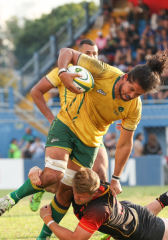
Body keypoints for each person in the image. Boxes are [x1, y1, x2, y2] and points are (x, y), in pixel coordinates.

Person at [0, 48, 168, 240]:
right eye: (131, 89)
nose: (130, 96)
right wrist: (63, 72)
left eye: (137, 94)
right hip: (66, 124)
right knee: (54, 175)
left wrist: (116, 178)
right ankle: (10, 200)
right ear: (125, 77)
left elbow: (125, 144)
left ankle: (43, 237)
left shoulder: (134, 107)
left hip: (90, 143)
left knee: (67, 191)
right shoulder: (103, 71)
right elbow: (66, 52)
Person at [38, 167, 168, 240]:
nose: (77, 198)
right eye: (76, 193)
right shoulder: (87, 183)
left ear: (93, 192)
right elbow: (55, 186)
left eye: (82, 196)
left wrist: (48, 220)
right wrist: (37, 177)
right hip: (128, 217)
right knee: (136, 219)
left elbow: (76, 239)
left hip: (140, 229)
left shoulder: (97, 210)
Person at [26, 40, 111, 212]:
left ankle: (104, 219)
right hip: (69, 131)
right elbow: (36, 91)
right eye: (87, 53)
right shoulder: (63, 72)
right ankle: (41, 188)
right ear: (78, 56)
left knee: (101, 174)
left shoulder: (101, 74)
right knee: (57, 183)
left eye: (95, 53)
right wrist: (51, 119)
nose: (92, 57)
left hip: (93, 132)